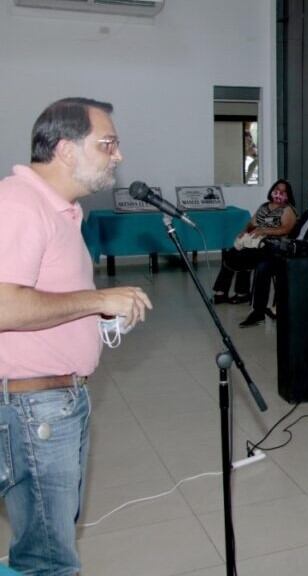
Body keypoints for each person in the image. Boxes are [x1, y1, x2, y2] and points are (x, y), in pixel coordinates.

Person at [0, 97, 153, 574]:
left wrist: (97, 318)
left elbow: (44, 294)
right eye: (107, 144)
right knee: (51, 557)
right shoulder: (19, 206)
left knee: (44, 539)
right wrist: (96, 301)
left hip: (58, 399)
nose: (118, 155)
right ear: (66, 150)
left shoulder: (63, 211)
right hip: (33, 406)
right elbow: (4, 304)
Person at [241, 185, 308, 327]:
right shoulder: (307, 213)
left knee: (283, 269)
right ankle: (258, 312)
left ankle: (283, 308)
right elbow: (294, 233)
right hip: (293, 250)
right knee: (263, 266)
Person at [213, 179, 297, 304]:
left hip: (272, 245)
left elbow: (286, 229)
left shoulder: (288, 210)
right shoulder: (264, 206)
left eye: (283, 191)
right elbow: (252, 223)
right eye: (276, 190)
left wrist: (265, 231)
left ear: (288, 194)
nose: (279, 193)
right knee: (231, 253)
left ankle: (242, 293)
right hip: (255, 241)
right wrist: (245, 231)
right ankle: (221, 292)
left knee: (242, 256)